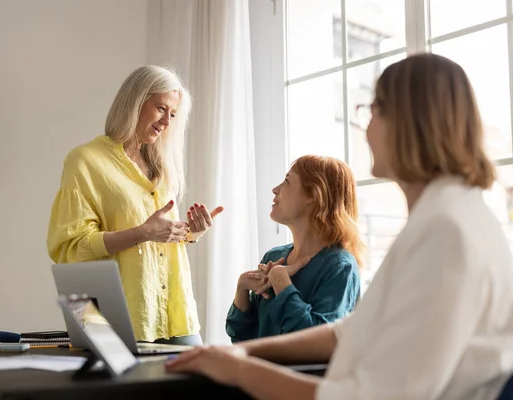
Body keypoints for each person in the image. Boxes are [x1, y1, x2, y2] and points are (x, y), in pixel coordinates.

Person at [166, 53, 513, 399]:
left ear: (410, 121)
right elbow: (351, 332)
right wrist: (245, 353)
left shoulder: (447, 232)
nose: (366, 126)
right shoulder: (444, 219)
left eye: (373, 110)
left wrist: (240, 369)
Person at [47, 65, 223, 346]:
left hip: (176, 311)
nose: (167, 122)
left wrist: (190, 233)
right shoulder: (85, 160)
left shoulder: (161, 165)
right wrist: (142, 232)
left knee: (198, 388)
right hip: (118, 317)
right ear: (135, 102)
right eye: (161, 109)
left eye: (173, 114)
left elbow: (159, 236)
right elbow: (69, 248)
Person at [226, 155, 361, 342]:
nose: (275, 189)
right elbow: (243, 342)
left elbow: (317, 344)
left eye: (287, 182)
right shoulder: (273, 256)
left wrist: (281, 282)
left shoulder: (340, 266)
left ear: (313, 195)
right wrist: (242, 288)